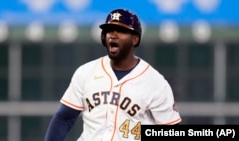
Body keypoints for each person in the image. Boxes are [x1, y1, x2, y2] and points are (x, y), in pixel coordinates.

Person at [44, 8, 181, 141]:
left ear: (135, 39)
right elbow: (65, 118)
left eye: (121, 31)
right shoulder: (86, 72)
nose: (113, 35)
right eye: (109, 31)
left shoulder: (155, 82)